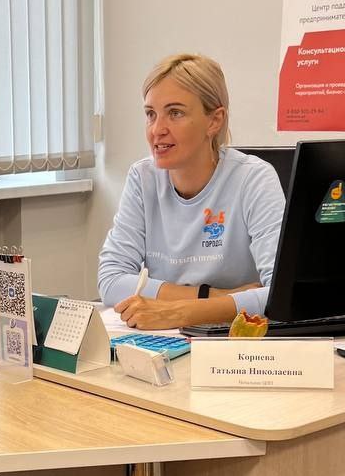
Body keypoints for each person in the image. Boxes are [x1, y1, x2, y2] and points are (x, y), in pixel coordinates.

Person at [98, 53, 285, 330]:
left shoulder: (254, 179)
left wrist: (179, 313)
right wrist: (213, 297)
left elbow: (278, 295)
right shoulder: (142, 178)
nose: (157, 129)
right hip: (166, 339)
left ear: (214, 121)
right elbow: (111, 280)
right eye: (150, 114)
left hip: (235, 342)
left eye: (175, 113)